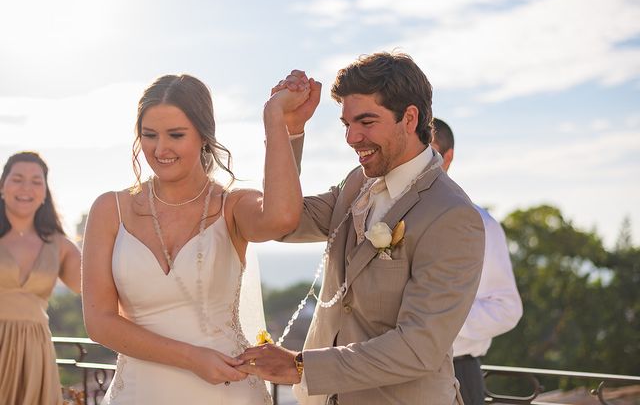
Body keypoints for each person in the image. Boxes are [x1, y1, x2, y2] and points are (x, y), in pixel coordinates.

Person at [238, 52, 485, 405]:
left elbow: (419, 348)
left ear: (410, 118)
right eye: (346, 124)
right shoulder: (357, 183)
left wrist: (300, 367)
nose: (352, 138)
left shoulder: (452, 215)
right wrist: (287, 128)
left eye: (366, 122)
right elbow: (284, 223)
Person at [81, 74, 309, 405]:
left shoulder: (231, 206)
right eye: (149, 136)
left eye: (176, 135)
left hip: (226, 392)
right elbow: (100, 323)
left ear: (203, 135)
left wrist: (277, 120)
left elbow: (281, 217)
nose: (160, 149)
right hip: (139, 393)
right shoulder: (109, 209)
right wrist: (191, 358)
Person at [431, 118, 523, 405]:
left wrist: (436, 323)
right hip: (389, 372)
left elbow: (507, 308)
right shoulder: (389, 217)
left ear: (449, 157)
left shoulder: (480, 224)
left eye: (430, 153)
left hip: (457, 372)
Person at [0, 151, 81, 405]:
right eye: (18, 179)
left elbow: (93, 288)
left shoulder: (61, 246)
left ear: (45, 193)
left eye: (36, 181)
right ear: (2, 187)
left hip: (35, 354)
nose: (27, 187)